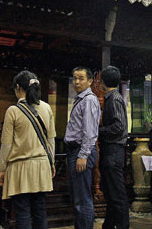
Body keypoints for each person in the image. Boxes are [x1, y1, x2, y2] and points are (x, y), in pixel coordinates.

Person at [0, 71, 56, 229]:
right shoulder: (47, 108)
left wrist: (2, 169)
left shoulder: (13, 111)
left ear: (18, 88)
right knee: (40, 210)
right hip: (42, 165)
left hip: (20, 167)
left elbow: (6, 144)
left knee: (22, 211)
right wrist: (51, 162)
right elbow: (51, 140)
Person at [65, 66, 101, 229]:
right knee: (78, 197)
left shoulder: (89, 100)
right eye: (75, 78)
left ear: (90, 81)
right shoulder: (81, 99)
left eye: (81, 78)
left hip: (81, 151)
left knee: (83, 199)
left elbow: (90, 131)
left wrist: (83, 155)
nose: (77, 81)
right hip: (76, 150)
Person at [98, 66, 129, 229]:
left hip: (113, 151)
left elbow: (118, 126)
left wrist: (99, 130)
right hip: (112, 151)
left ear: (102, 81)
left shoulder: (114, 98)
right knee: (111, 194)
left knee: (117, 195)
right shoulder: (114, 97)